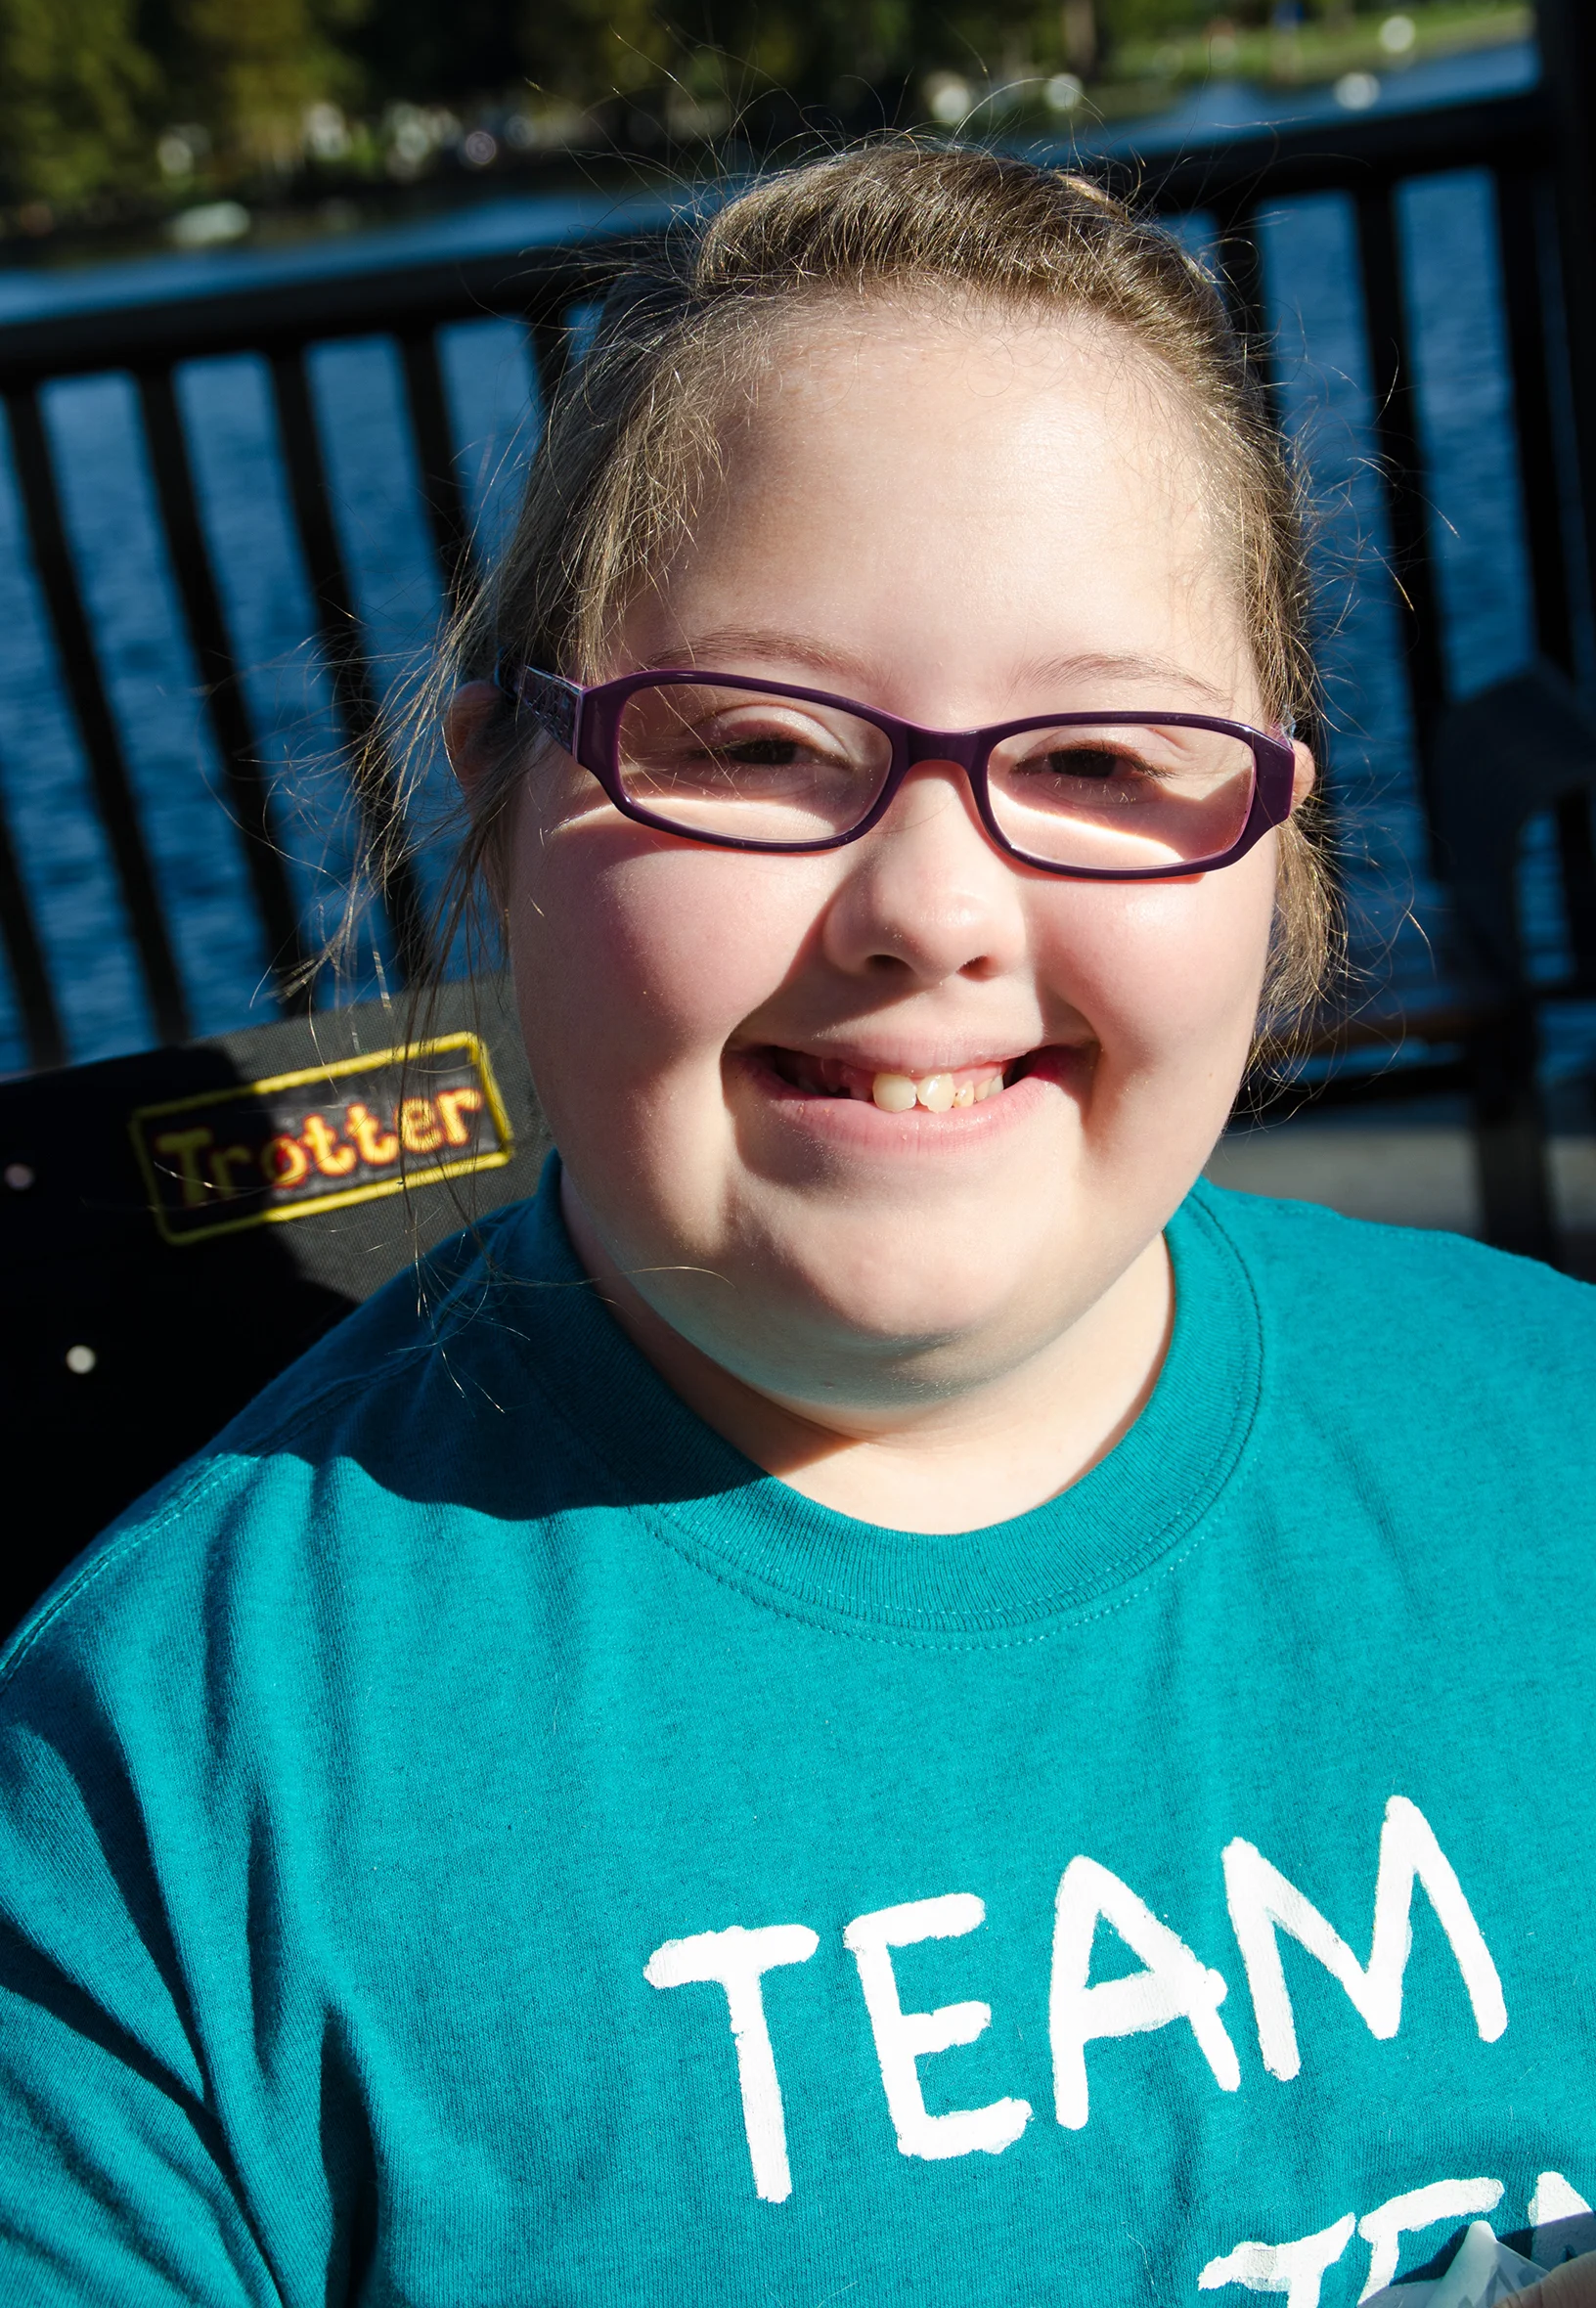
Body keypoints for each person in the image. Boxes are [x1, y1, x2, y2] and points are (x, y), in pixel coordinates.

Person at [1, 141, 1594, 2308]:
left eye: (1103, 761)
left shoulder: (1558, 1441)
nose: (932, 908)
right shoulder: (157, 1812)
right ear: (499, 801)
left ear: (1274, 850)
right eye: (752, 743)